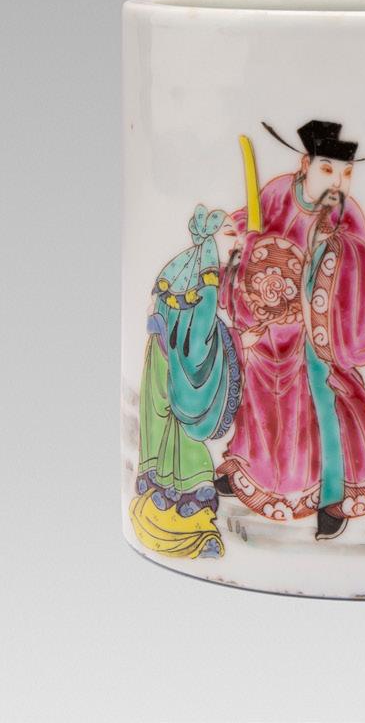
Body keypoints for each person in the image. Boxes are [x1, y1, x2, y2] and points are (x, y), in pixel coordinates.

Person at [216, 120, 365, 540]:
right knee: (257, 401)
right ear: (305, 165)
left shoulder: (346, 215)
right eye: (328, 170)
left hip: (316, 331)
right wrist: (238, 233)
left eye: (346, 173)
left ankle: (332, 495)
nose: (338, 182)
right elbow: (252, 226)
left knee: (323, 404)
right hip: (267, 324)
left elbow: (361, 272)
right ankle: (249, 471)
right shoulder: (278, 192)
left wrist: (334, 250)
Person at [129, 206, 242, 560]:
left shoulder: (182, 267)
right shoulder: (207, 279)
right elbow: (201, 337)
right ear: (212, 237)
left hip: (164, 354)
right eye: (229, 234)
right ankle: (187, 499)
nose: (237, 241)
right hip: (178, 365)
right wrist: (220, 351)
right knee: (184, 424)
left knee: (166, 421)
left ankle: (165, 490)